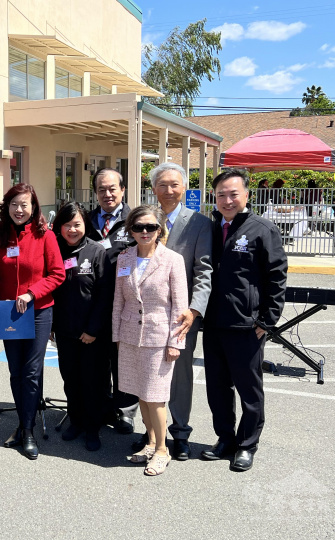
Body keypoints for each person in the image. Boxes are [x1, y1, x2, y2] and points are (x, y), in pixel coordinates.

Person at [202, 170, 287, 472]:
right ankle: (225, 439)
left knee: (249, 391)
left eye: (233, 194)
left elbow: (277, 276)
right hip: (213, 323)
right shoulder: (211, 228)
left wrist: (267, 320)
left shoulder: (263, 229)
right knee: (217, 388)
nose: (227, 200)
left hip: (247, 326)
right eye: (221, 195)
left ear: (247, 195)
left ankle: (247, 445)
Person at [139, 163, 213, 461]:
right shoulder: (146, 218)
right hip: (148, 314)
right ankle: (152, 435)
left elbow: (204, 271)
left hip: (182, 316)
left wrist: (194, 310)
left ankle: (180, 433)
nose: (168, 190)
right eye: (162, 185)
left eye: (174, 184)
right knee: (148, 374)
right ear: (153, 189)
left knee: (180, 374)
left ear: (184, 188)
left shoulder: (199, 223)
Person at [112, 205, 188, 476]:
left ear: (159, 229)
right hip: (130, 336)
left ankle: (162, 450)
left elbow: (180, 306)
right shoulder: (124, 258)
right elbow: (118, 301)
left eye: (151, 227)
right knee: (140, 393)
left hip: (159, 338)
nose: (144, 232)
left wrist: (175, 343)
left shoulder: (172, 260)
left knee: (155, 397)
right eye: (138, 227)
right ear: (130, 230)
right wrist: (117, 336)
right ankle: (151, 443)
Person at [0, 183, 65, 460]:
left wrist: (32, 293)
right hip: (9, 313)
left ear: (34, 207)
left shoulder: (45, 235)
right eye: (14, 204)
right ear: (7, 207)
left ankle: (28, 430)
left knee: (32, 372)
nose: (19, 209)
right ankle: (23, 424)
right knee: (15, 371)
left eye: (24, 204)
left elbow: (57, 274)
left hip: (38, 311)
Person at [51, 202, 112, 451]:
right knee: (71, 379)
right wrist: (52, 325)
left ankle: (92, 427)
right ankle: (75, 421)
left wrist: (93, 329)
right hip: (65, 330)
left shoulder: (97, 252)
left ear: (85, 224)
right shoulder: (54, 249)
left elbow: (105, 295)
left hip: (92, 334)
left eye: (77, 224)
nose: (72, 230)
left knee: (92, 381)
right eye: (67, 225)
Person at [85, 168, 136, 435]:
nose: (107, 194)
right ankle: (104, 406)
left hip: (125, 302)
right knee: (97, 360)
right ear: (95, 192)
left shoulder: (134, 220)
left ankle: (126, 412)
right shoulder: (86, 220)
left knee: (123, 360)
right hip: (93, 304)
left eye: (112, 188)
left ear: (122, 190)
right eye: (101, 189)